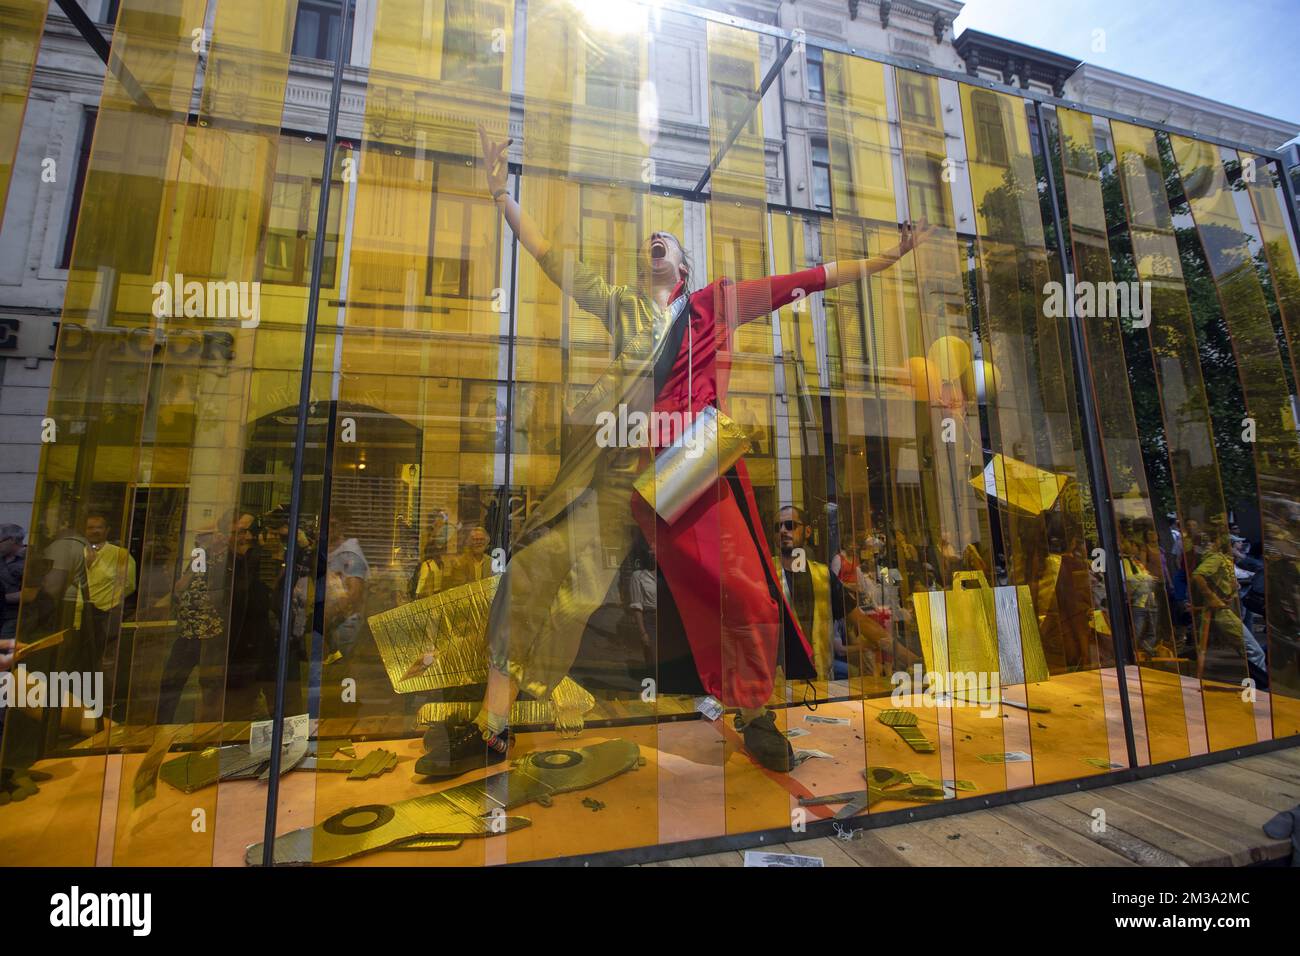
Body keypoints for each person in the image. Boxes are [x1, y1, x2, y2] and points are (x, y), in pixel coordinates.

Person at [417, 125, 931, 779]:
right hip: (615, 471)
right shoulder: (622, 305)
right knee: (531, 572)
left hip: (686, 464)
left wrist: (886, 259)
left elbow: (810, 278)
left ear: (682, 263)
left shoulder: (716, 302)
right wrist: (501, 194)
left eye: (663, 239)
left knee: (741, 590)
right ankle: (492, 730)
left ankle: (753, 714)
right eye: (646, 242)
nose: (652, 241)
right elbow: (550, 257)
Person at [1191, 530, 1268, 690]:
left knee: (1248, 650)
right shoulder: (1217, 558)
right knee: (1254, 651)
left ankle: (1258, 685)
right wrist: (1212, 597)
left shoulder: (1226, 559)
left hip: (1228, 608)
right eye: (1236, 543)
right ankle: (1261, 688)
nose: (1240, 545)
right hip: (1222, 611)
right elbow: (1198, 575)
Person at [0, 524, 26, 640]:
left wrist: (3, 598)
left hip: (12, 617)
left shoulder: (27, 562)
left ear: (12, 540)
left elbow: (29, 594)